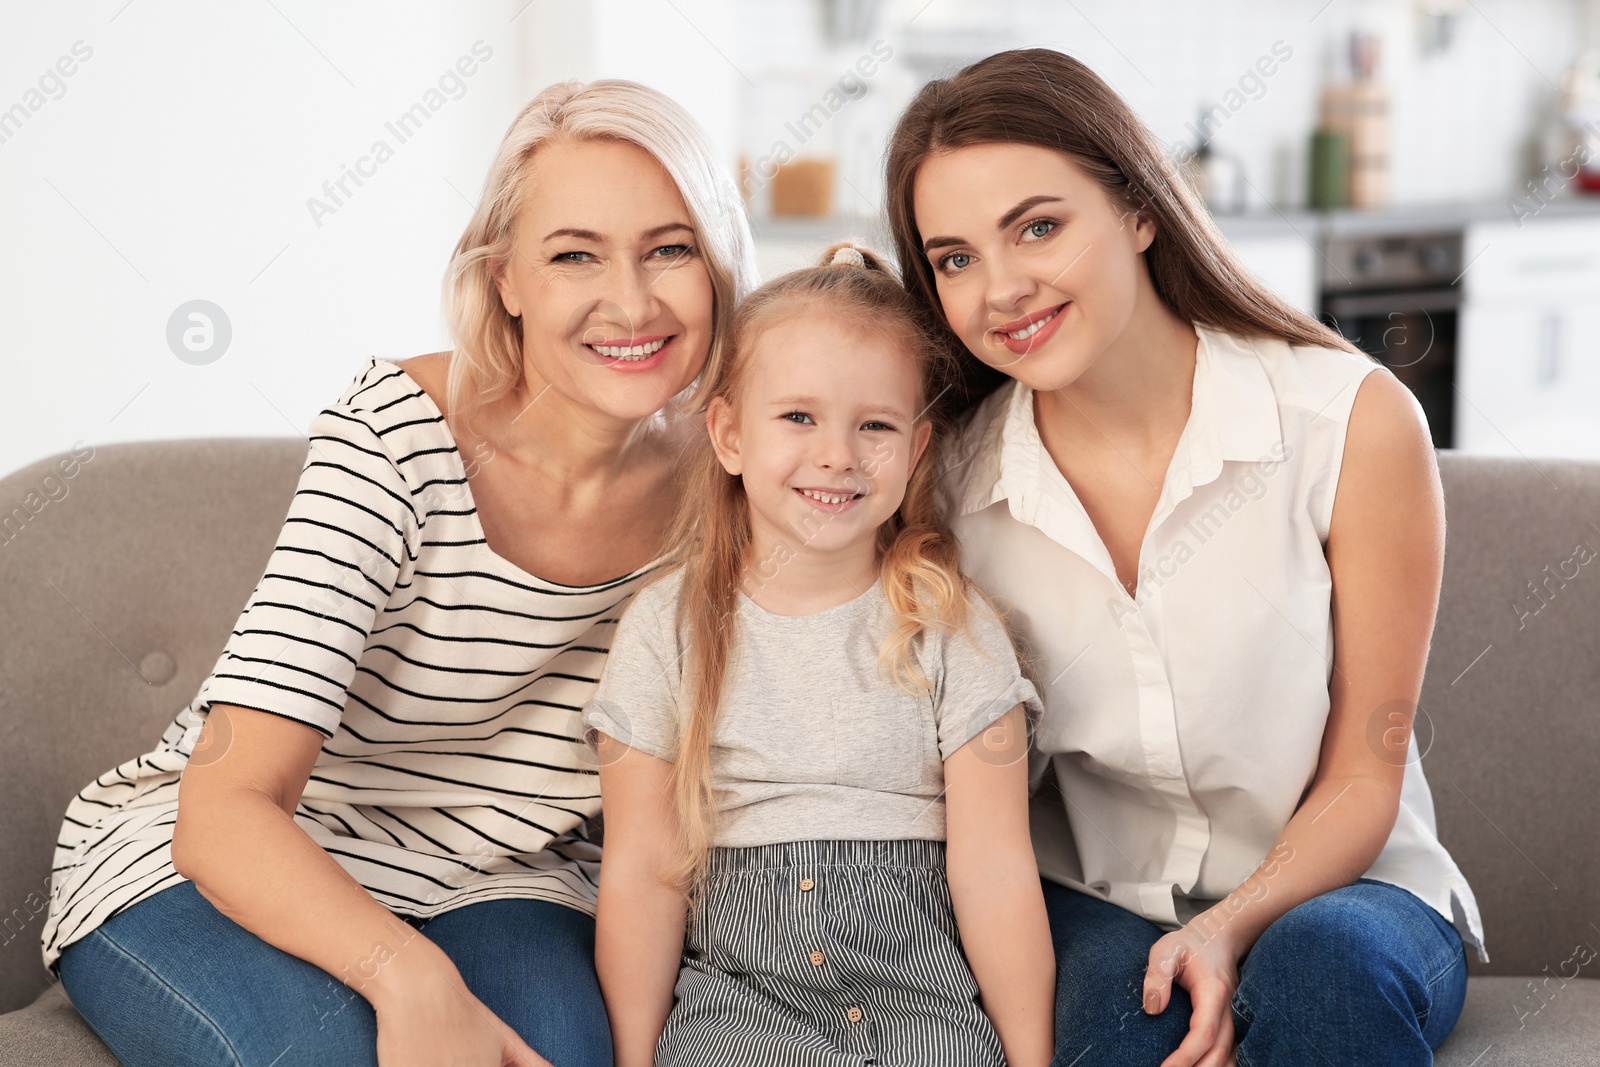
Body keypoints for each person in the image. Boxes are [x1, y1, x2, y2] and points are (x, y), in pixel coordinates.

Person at [42, 78, 757, 1067]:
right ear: (506, 278)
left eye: (668, 248)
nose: (630, 300)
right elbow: (228, 807)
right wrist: (406, 973)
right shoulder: (392, 439)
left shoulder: (737, 471)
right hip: (218, 853)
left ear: (719, 260)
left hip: (509, 877)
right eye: (573, 254)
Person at [885, 49, 1485, 1067]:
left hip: (1348, 891)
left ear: (1138, 209)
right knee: (1131, 1029)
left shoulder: (1347, 423)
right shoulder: (947, 491)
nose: (1002, 288)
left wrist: (1226, 922)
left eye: (1038, 225)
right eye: (954, 257)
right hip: (1098, 899)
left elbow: (1364, 768)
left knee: (1321, 973)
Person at [583, 243, 1056, 1067]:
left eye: (874, 425)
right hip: (737, 997)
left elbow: (996, 871)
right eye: (798, 417)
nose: (837, 454)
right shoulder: (666, 628)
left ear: (914, 452)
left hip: (921, 998)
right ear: (728, 434)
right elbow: (642, 874)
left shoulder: (954, 626)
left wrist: (1028, 1059)